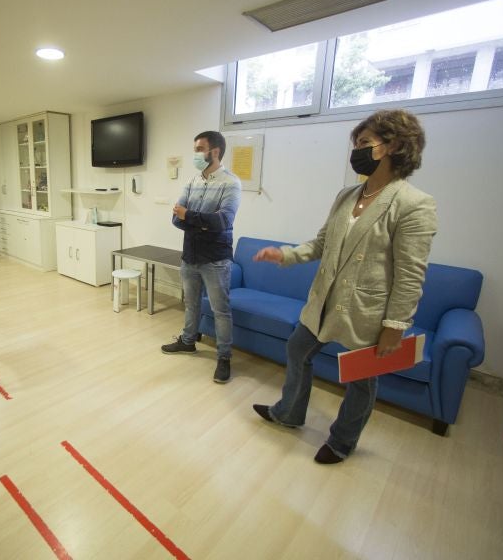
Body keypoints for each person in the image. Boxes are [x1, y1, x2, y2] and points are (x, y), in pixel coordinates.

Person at [251, 109, 437, 464]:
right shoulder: (347, 195)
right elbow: (322, 243)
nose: (357, 150)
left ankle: (342, 441)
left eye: (365, 143)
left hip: (366, 311)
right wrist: (285, 255)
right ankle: (288, 412)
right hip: (323, 301)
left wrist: (396, 325)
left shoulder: (414, 204)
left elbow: (411, 274)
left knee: (361, 380)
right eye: (357, 143)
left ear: (394, 145)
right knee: (297, 349)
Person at [161, 131, 242, 383]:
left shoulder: (231, 183)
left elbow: (223, 220)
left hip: (215, 259)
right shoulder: (192, 181)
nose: (196, 154)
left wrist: (190, 216)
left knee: (221, 310)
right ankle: (187, 341)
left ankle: (224, 357)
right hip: (190, 256)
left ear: (214, 151)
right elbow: (176, 218)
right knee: (191, 303)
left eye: (199, 149)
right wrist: (199, 221)